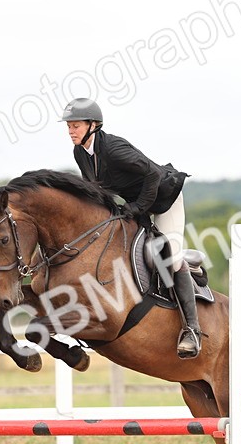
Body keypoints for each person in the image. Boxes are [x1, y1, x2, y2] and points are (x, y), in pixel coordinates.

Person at [61, 98, 201, 358]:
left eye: (76, 126)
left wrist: (136, 209)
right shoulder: (80, 152)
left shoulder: (114, 149)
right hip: (136, 203)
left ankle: (191, 329)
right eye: (69, 126)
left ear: (94, 125)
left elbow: (153, 176)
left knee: (170, 255)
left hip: (163, 199)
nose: (71, 131)